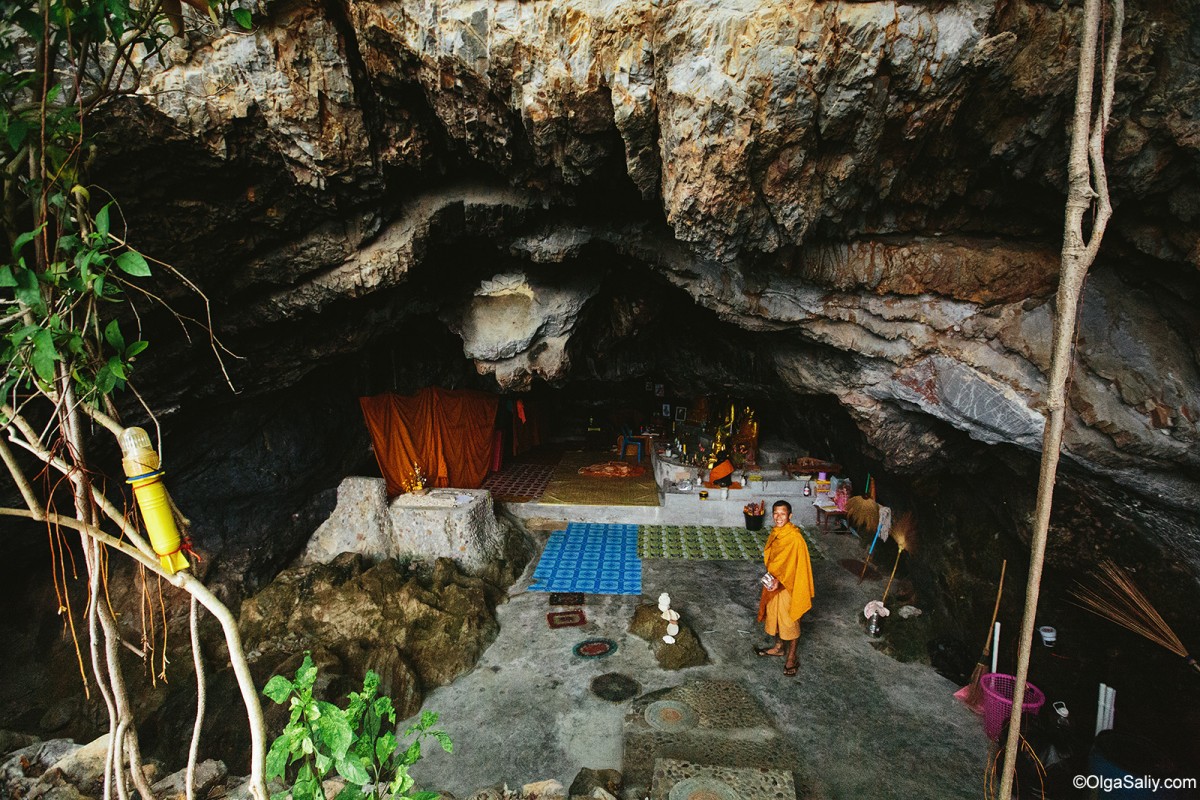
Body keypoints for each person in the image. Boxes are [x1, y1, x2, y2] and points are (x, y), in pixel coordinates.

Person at [755, 500, 815, 677]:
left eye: (782, 514)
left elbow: (798, 568)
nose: (778, 517)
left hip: (790, 586)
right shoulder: (777, 532)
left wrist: (780, 582)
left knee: (791, 621)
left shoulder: (795, 538)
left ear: (790, 516)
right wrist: (772, 578)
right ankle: (779, 648)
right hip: (774, 583)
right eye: (775, 513)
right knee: (773, 617)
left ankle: (792, 656)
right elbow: (776, 560)